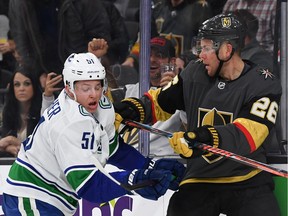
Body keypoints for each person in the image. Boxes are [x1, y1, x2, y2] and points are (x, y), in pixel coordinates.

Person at [113, 13, 282, 216]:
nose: (200, 54)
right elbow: (161, 102)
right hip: (199, 178)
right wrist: (134, 109)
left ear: (227, 50)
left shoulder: (262, 83)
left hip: (246, 179)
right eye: (200, 47)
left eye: (206, 48)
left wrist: (203, 137)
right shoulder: (195, 72)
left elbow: (249, 134)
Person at [2, 52, 185, 215]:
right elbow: (90, 187)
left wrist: (148, 165)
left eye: (97, 86)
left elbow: (113, 149)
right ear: (69, 88)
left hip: (50, 197)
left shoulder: (102, 105)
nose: (94, 94)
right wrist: (134, 180)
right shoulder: (69, 123)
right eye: (85, 88)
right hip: (29, 196)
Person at [8, 0, 112, 77]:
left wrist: (82, 69)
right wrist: (38, 74)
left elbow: (100, 36)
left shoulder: (85, 3)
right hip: (41, 77)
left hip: (82, 73)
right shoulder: (19, 3)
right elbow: (21, 42)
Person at [122, 0, 213, 70]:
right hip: (158, 67)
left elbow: (205, 44)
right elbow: (144, 39)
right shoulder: (157, 8)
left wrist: (184, 59)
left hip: (187, 69)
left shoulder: (200, 9)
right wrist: (133, 58)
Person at [0, 65, 42, 157]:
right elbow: (4, 143)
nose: (21, 89)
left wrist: (12, 141)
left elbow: (39, 148)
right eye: (17, 84)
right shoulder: (8, 111)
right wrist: (7, 148)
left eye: (27, 84)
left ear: (34, 86)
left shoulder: (42, 112)